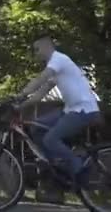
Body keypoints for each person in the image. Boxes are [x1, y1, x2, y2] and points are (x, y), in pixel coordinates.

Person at [15, 35, 100, 188]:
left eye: (37, 49)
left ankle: (78, 167)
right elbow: (40, 94)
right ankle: (59, 166)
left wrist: (21, 93)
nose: (36, 54)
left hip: (83, 109)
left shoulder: (59, 59)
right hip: (70, 110)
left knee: (50, 139)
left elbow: (41, 78)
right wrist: (19, 105)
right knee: (36, 127)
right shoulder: (56, 69)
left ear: (47, 47)